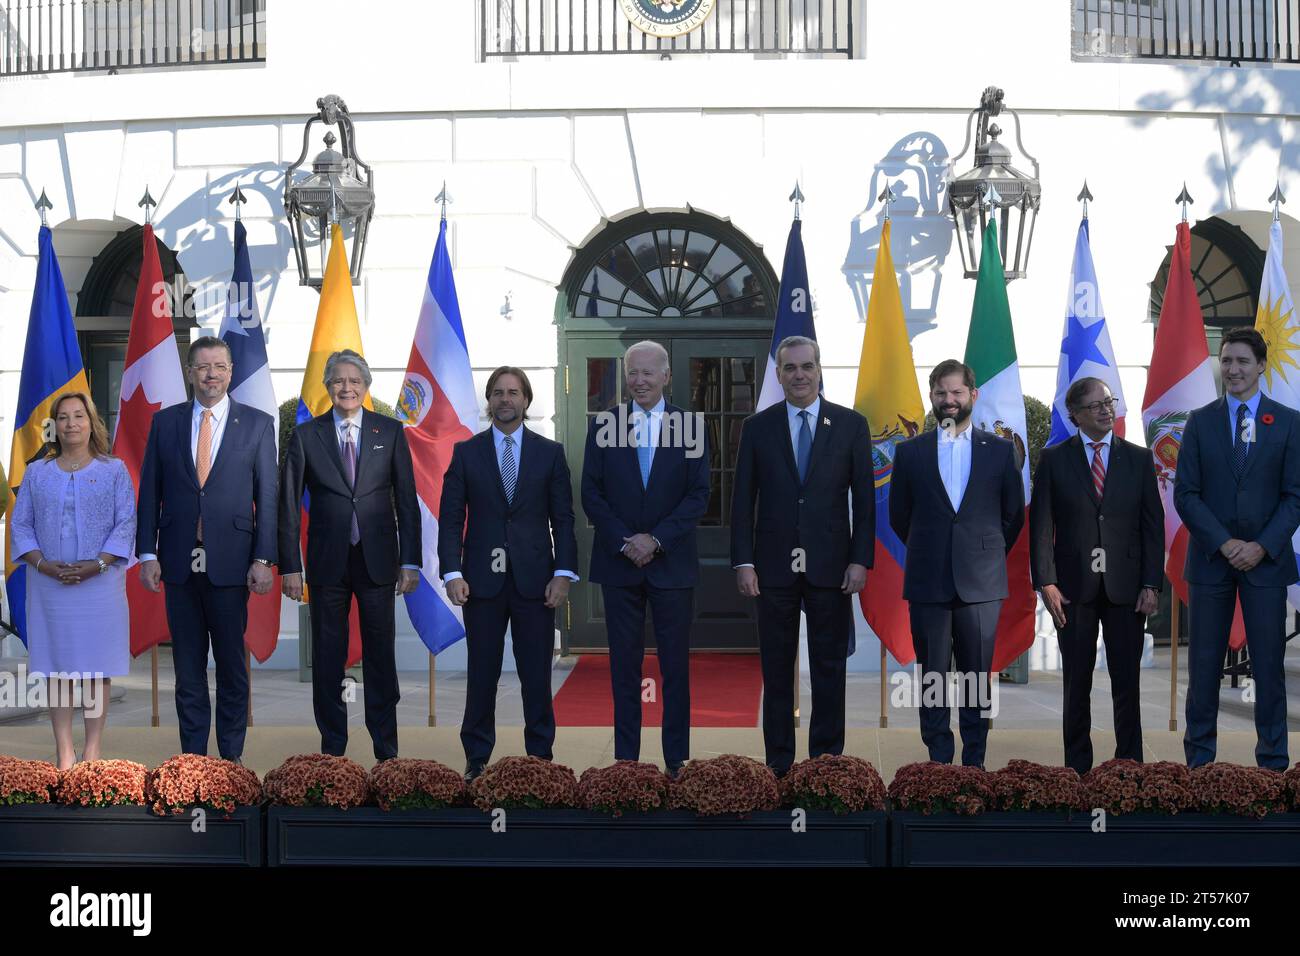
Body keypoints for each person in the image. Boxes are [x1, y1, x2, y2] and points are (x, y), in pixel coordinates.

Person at [730, 335, 874, 776]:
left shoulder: (851, 425)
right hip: (771, 568)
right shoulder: (758, 427)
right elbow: (741, 500)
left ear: (819, 369)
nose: (799, 375)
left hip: (833, 567)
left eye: (806, 366)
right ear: (778, 374)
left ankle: (826, 762)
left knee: (829, 667)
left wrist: (860, 559)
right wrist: (743, 561)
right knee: (776, 670)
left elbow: (866, 502)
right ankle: (779, 763)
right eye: (790, 368)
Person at [137, 336, 277, 763]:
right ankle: (193, 762)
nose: (211, 374)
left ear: (231, 372)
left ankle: (230, 759)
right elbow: (150, 491)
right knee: (189, 671)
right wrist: (147, 554)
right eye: (202, 367)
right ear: (190, 372)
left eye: (219, 366)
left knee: (233, 670)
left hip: (233, 564)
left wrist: (263, 558)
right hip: (178, 562)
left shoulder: (256, 424)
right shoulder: (166, 423)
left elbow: (267, 496)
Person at [279, 349, 421, 761]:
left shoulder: (389, 431)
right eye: (339, 381)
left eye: (354, 381)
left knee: (380, 657)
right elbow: (288, 503)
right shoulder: (308, 435)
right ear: (327, 387)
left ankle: (386, 750)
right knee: (327, 656)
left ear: (366, 386)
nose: (347, 388)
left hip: (378, 560)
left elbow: (407, 501)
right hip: (326, 563)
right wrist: (290, 565)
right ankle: (332, 751)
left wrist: (409, 560)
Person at [439, 366, 578, 781]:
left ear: (526, 400)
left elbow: (564, 520)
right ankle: (477, 758)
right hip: (480, 582)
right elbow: (450, 519)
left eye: (513, 392)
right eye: (498, 392)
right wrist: (451, 571)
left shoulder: (550, 453)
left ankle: (541, 759)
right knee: (482, 673)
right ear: (489, 401)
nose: (505, 399)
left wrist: (563, 574)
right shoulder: (467, 452)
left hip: (537, 583)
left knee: (536, 673)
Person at [581, 341, 710, 776]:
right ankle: (627, 762)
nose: (639, 381)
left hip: (671, 565)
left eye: (648, 373)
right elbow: (591, 493)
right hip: (619, 565)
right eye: (632, 372)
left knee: (675, 667)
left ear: (667, 376)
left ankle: (676, 761)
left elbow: (699, 496)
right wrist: (626, 541)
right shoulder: (604, 424)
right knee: (624, 667)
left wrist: (654, 540)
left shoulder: (689, 426)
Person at [1175, 327, 1300, 770]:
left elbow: (1295, 496)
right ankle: (1200, 766)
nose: (1233, 370)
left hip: (1266, 567)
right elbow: (1186, 494)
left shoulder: (1288, 422)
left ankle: (1272, 766)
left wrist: (1262, 547)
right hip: (1211, 563)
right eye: (1227, 361)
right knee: (1204, 670)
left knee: (1268, 669)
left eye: (1243, 361)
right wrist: (1225, 543)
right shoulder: (1200, 421)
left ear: (1261, 366)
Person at [889, 359, 1024, 768]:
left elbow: (1012, 516)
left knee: (975, 679)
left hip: (981, 584)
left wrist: (979, 551)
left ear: (973, 396)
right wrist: (934, 549)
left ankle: (975, 764)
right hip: (928, 581)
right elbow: (900, 516)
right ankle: (938, 762)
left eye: (957, 393)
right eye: (941, 393)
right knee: (932, 677)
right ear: (931, 396)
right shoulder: (909, 452)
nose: (949, 401)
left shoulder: (1000, 451)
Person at [1030, 377, 1163, 774]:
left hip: (1127, 589)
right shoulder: (1054, 459)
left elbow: (1152, 526)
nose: (1107, 409)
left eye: (1109, 401)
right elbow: (1040, 527)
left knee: (1127, 683)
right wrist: (1046, 582)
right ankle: (1078, 770)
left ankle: (1130, 769)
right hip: (1073, 589)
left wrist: (1152, 583)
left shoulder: (1138, 459)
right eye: (1096, 405)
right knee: (1077, 682)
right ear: (1075, 416)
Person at [11, 392, 135, 770]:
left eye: (78, 416)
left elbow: (126, 522)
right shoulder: (37, 473)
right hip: (49, 585)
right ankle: (65, 753)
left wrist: (96, 564)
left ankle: (92, 750)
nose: (71, 424)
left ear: (91, 421)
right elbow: (20, 525)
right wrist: (44, 565)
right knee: (58, 669)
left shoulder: (114, 470)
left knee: (96, 669)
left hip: (99, 584)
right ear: (54, 426)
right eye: (63, 418)